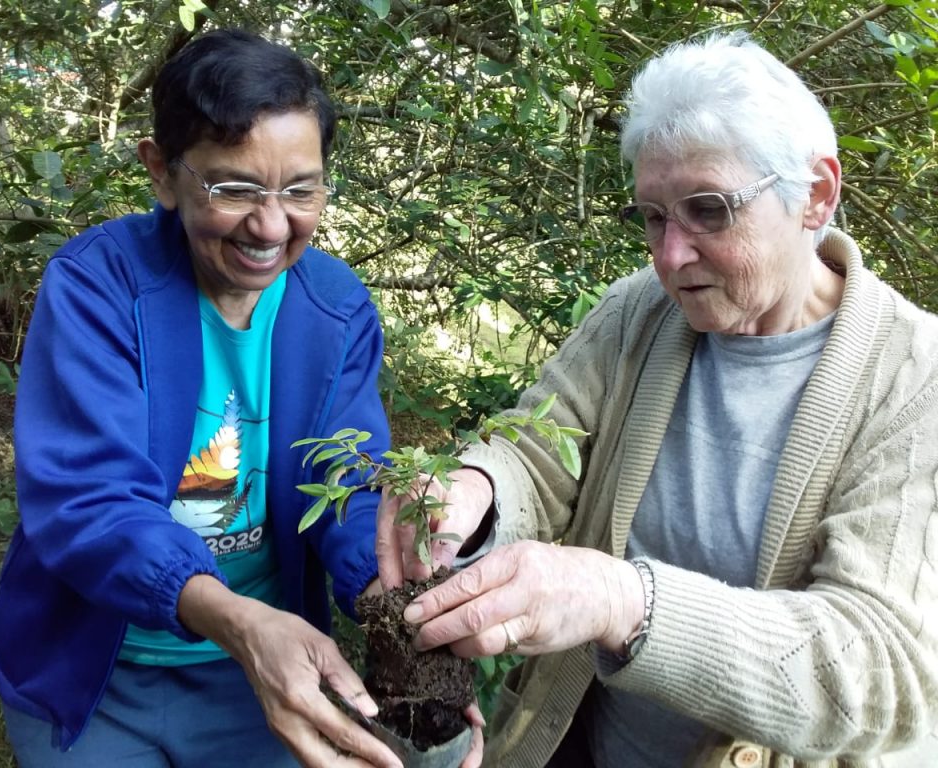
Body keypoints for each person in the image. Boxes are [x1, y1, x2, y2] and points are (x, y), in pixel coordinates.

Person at [376, 33, 938, 767]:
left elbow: (879, 672)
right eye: (653, 215)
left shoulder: (915, 379)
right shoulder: (641, 310)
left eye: (709, 209)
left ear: (817, 194)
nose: (671, 256)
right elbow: (538, 451)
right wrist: (477, 487)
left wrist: (622, 602)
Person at [0, 28, 409, 768]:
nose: (272, 225)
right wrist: (237, 620)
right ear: (162, 174)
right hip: (99, 669)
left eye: (300, 189)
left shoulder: (336, 309)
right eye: (234, 188)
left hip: (256, 676)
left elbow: (348, 481)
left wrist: (391, 587)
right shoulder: (99, 288)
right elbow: (89, 500)